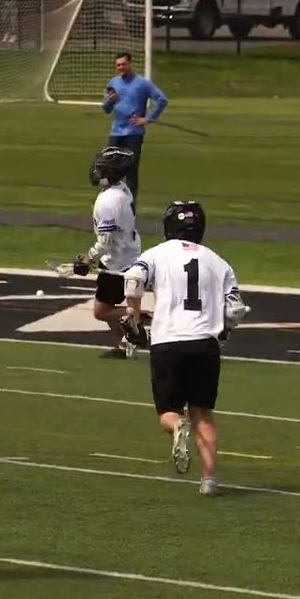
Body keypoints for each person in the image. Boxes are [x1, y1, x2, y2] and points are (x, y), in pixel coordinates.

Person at [122, 202, 248, 496]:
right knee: (203, 413)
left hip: (168, 341)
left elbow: (133, 280)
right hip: (204, 343)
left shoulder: (156, 254)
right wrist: (224, 335)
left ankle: (178, 426)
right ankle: (209, 479)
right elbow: (235, 309)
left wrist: (134, 315)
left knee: (168, 412)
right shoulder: (219, 262)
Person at [74, 146, 143, 359]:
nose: (97, 172)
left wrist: (89, 259)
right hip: (130, 253)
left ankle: (144, 320)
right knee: (128, 302)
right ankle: (127, 345)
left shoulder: (107, 201)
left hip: (117, 261)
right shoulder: (122, 189)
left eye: (101, 168)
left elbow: (105, 241)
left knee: (102, 311)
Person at [102, 52, 168, 204]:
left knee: (131, 169)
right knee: (107, 166)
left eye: (123, 64)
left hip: (133, 133)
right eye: (118, 65)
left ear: (130, 64)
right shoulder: (113, 82)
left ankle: (130, 208)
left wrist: (148, 119)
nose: (121, 67)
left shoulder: (142, 83)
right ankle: (109, 204)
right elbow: (106, 109)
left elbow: (162, 99)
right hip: (116, 131)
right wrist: (110, 101)